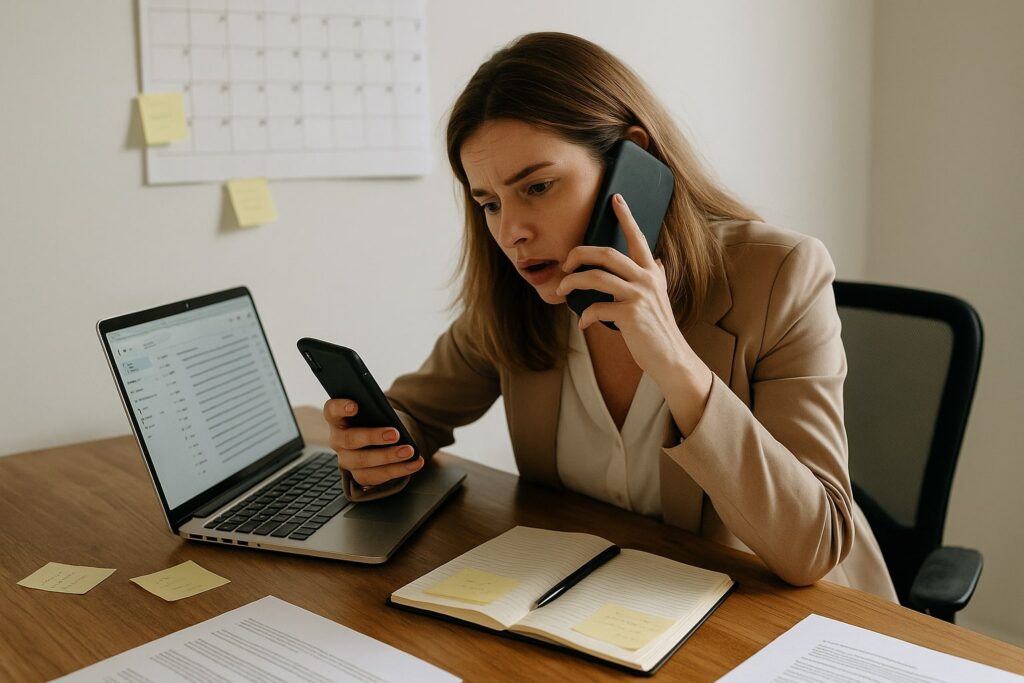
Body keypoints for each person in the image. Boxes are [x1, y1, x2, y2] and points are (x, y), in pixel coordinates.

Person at [323, 32, 897, 601]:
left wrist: (674, 361)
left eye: (539, 186)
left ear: (633, 160)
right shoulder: (523, 293)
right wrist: (376, 448)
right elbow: (414, 416)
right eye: (490, 203)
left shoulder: (779, 275)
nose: (511, 232)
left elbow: (813, 547)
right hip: (595, 607)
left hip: (765, 615)